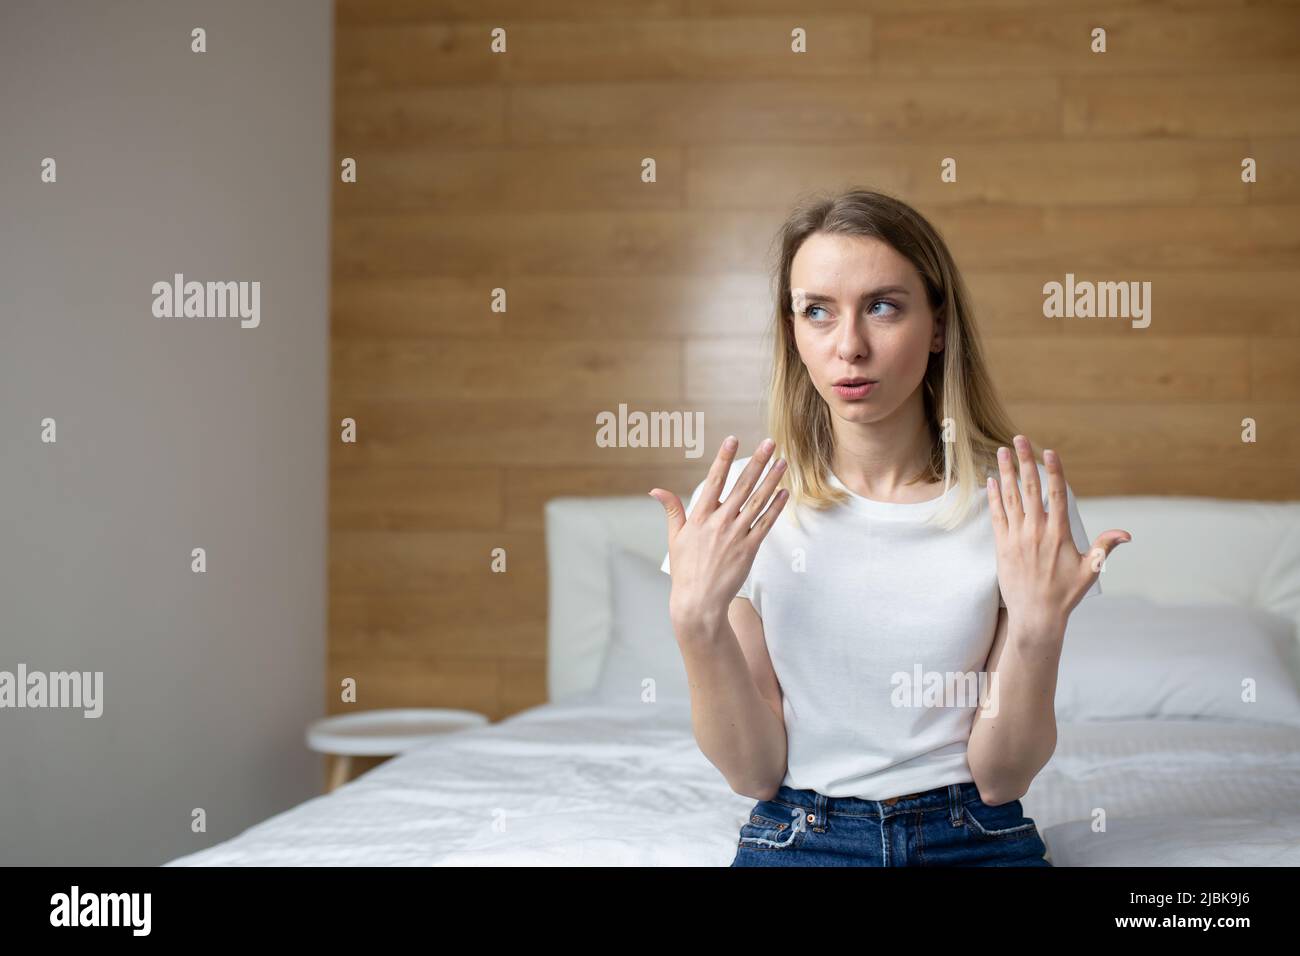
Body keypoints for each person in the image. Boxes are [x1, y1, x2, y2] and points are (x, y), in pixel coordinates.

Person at [650, 188, 1132, 867]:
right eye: (817, 311)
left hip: (976, 834)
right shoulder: (739, 505)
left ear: (937, 326)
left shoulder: (1019, 506)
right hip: (799, 832)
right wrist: (695, 624)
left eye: (882, 306)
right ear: (792, 330)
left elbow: (1003, 778)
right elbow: (754, 773)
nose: (849, 346)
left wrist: (1036, 630)